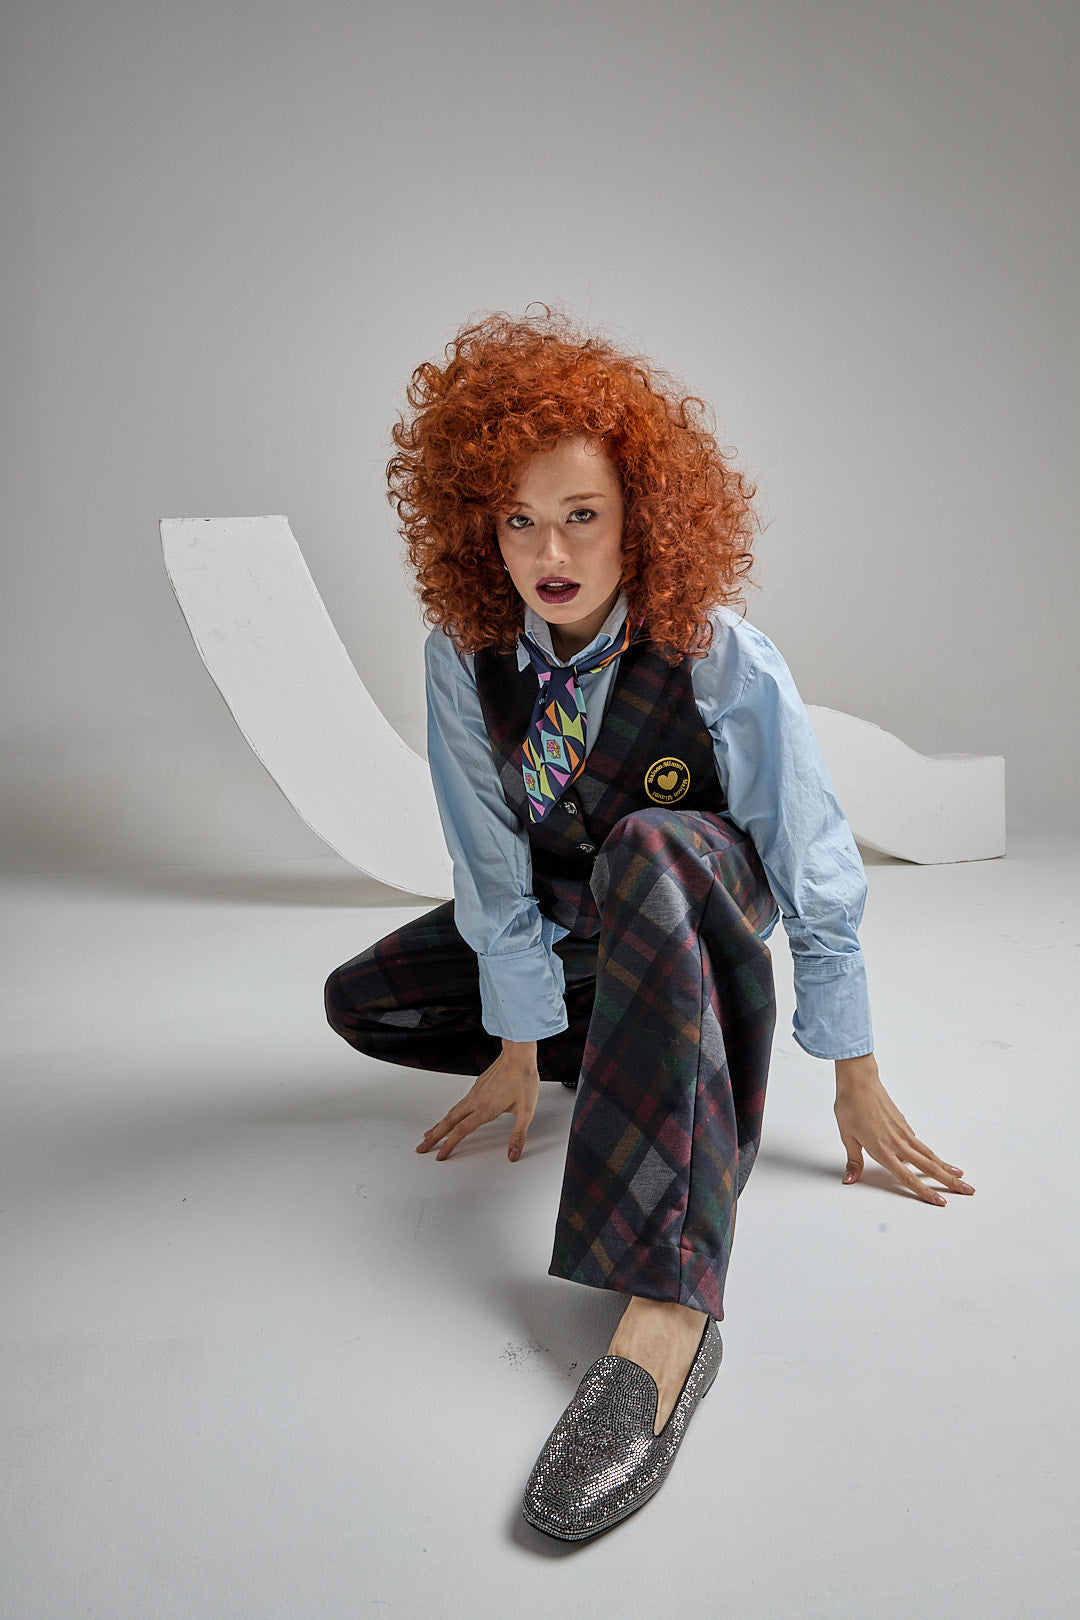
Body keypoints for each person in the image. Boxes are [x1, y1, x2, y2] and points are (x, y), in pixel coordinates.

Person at [324, 307, 975, 1541]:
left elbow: (812, 857)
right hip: (581, 924)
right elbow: (489, 861)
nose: (549, 551)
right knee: (368, 1001)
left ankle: (668, 1308)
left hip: (694, 895)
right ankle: (649, 1050)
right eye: (518, 521)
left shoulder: (718, 653)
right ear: (479, 529)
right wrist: (520, 1042)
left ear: (642, 520)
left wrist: (853, 1066)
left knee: (649, 843)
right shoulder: (466, 655)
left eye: (582, 515)